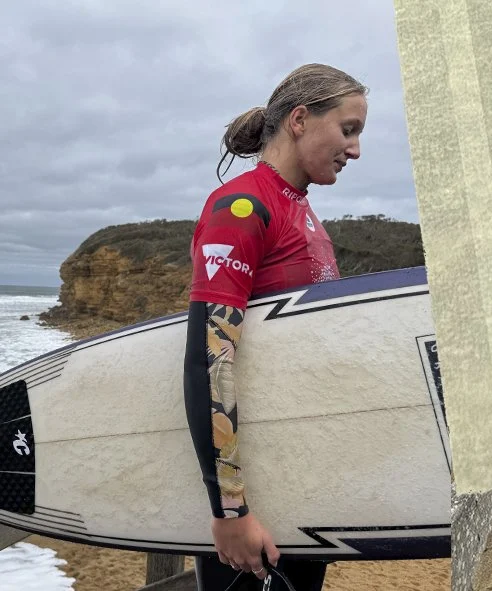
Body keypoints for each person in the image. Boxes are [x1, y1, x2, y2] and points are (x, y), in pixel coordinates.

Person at [182, 63, 368, 591]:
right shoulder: (242, 207)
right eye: (348, 129)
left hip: (299, 482)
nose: (354, 150)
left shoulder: (301, 210)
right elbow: (208, 361)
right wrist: (230, 510)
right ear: (301, 120)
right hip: (254, 502)